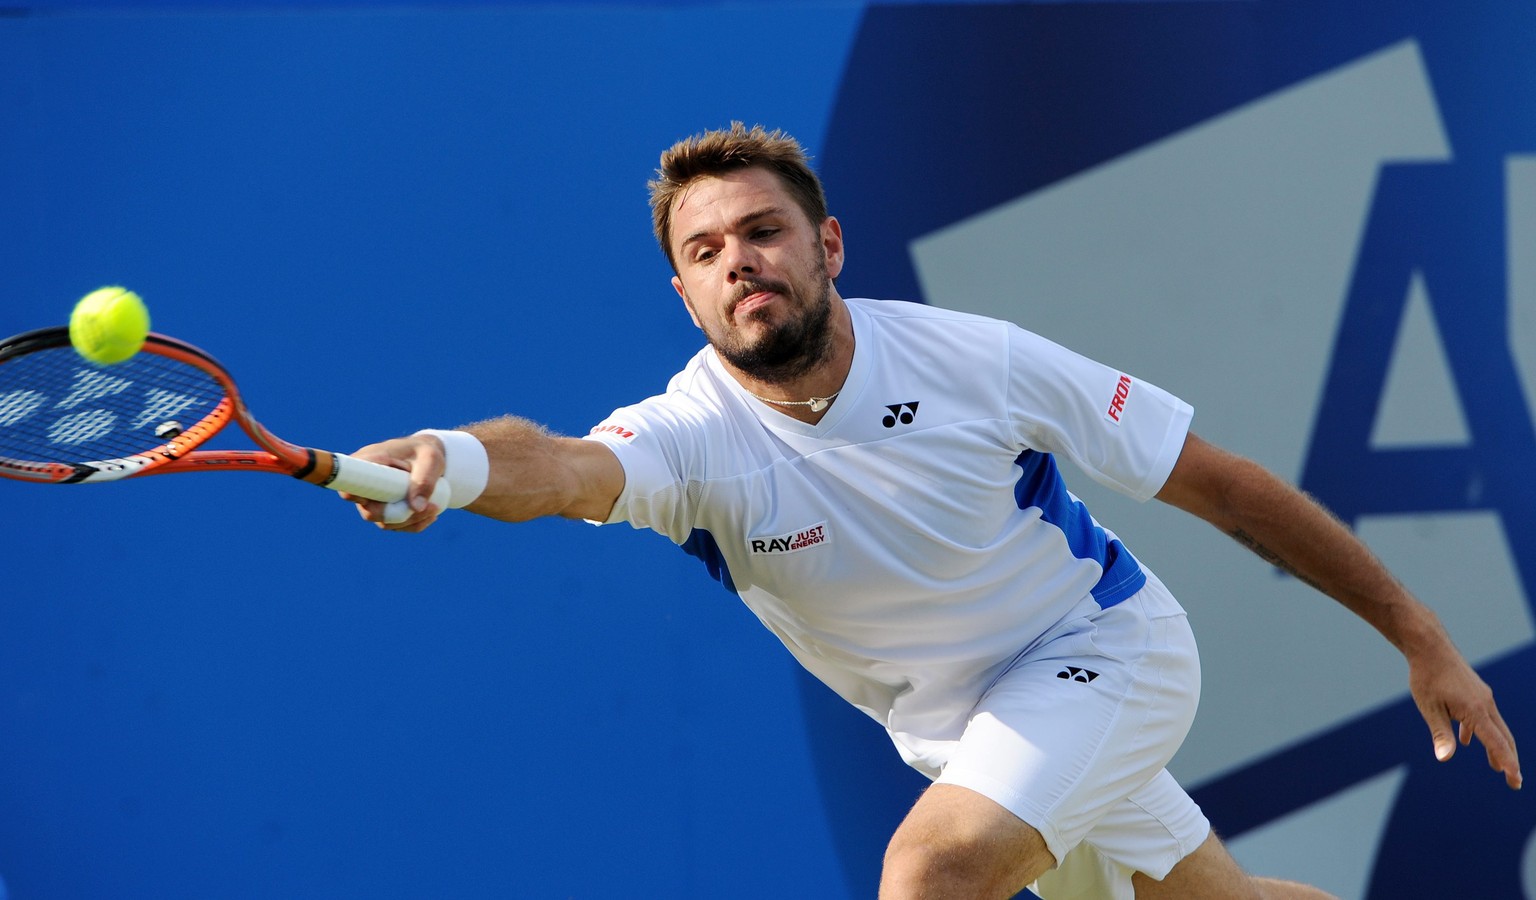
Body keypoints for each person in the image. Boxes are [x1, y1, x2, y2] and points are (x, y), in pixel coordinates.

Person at [344, 123, 1521, 899]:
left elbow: (1218, 482)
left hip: (1103, 654)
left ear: (827, 245)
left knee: (930, 875)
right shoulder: (688, 436)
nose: (738, 260)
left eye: (762, 231)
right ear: (685, 291)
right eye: (705, 250)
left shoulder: (976, 361)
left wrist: (1417, 635)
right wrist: (458, 460)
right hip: (962, 735)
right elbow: (562, 469)